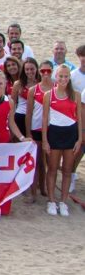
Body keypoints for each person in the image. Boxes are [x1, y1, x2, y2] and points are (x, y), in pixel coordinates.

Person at [41, 65, 82, 217]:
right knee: (52, 168)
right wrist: (45, 140)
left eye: (66, 76)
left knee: (67, 170)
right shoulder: (48, 95)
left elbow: (79, 119)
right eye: (61, 76)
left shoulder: (76, 95)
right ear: (56, 77)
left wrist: (79, 139)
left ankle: (63, 202)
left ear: (69, 77)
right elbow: (44, 120)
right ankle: (51, 201)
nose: (63, 79)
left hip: (71, 134)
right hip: (54, 134)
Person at [26, 61, 55, 201]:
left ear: (52, 71)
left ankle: (45, 190)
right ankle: (33, 193)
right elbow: (29, 113)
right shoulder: (34, 90)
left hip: (52, 129)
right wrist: (28, 133)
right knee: (36, 162)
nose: (45, 73)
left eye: (48, 71)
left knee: (50, 164)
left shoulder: (57, 88)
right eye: (43, 71)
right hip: (36, 128)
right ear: (39, 71)